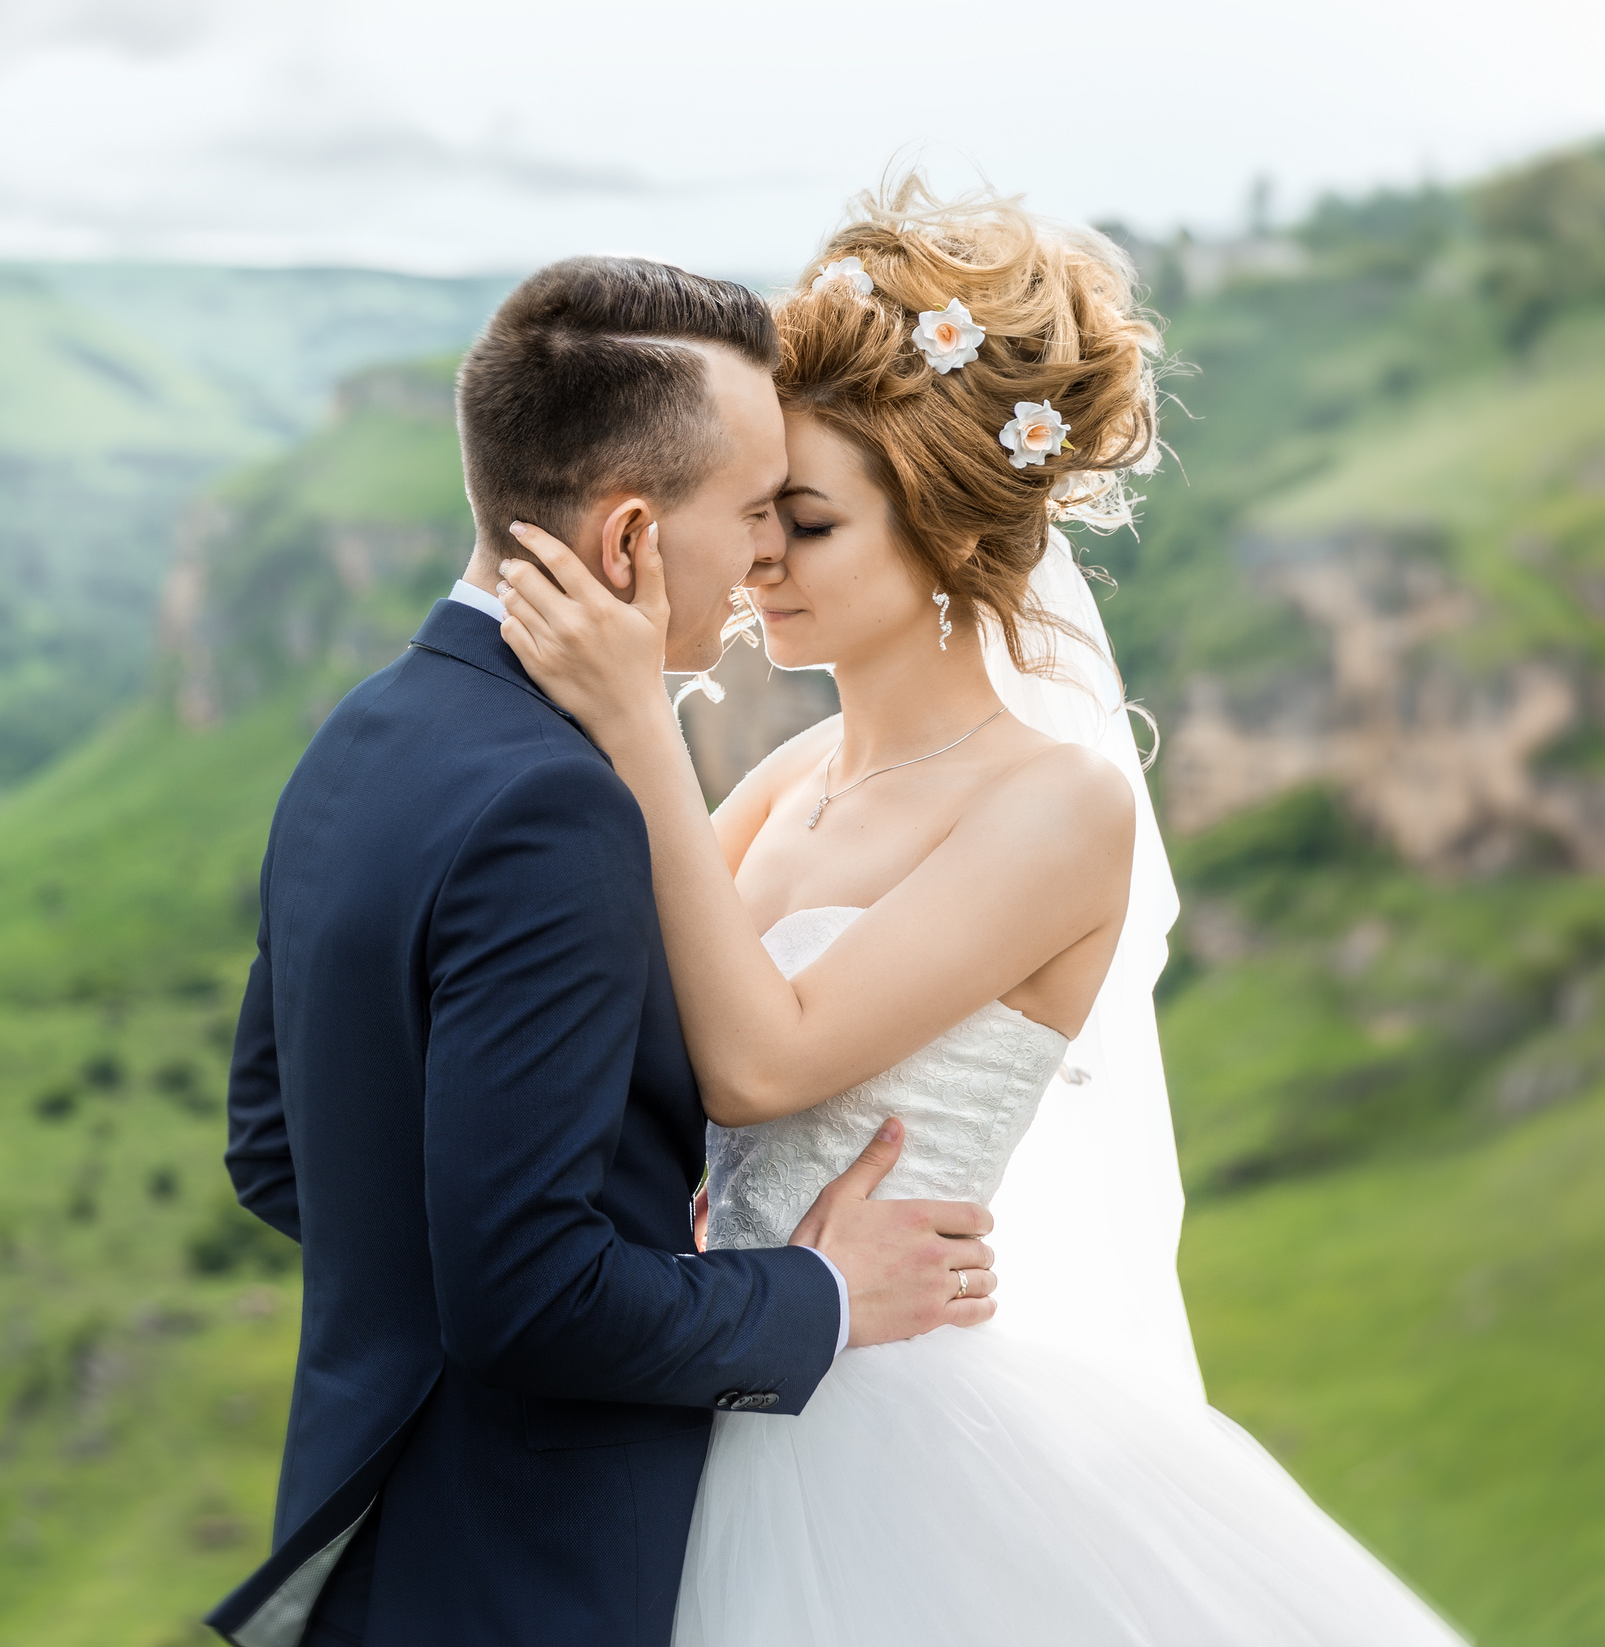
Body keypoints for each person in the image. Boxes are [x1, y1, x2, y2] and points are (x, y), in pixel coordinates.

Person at [495, 179, 1464, 1645]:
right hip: (722, 1388)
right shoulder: (783, 778)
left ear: (946, 530)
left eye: (805, 524)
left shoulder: (1059, 804)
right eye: (759, 514)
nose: (756, 563)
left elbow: (763, 1063)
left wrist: (638, 724)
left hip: (890, 1435)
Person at [208, 256, 1002, 1647]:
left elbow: (279, 1149)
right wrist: (819, 1295)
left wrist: (498, 1257)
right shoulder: (557, 807)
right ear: (632, 538)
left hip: (377, 1549)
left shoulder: (366, 732)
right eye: (755, 512)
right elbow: (531, 1302)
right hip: (533, 1579)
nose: (767, 558)